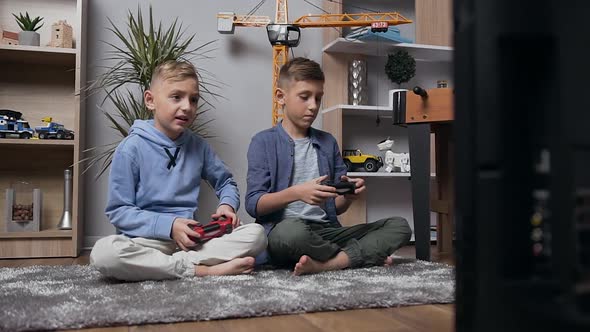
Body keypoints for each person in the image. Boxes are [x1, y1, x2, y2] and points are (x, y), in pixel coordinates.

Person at [91, 60, 266, 281]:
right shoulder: (130, 149)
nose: (187, 107)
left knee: (257, 235)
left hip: (192, 241)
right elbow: (119, 211)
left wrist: (227, 205)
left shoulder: (199, 147)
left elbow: (226, 183)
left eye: (193, 100)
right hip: (146, 242)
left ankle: (167, 267)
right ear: (150, 100)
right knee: (104, 254)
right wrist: (170, 226)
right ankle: (202, 270)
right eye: (176, 97)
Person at [246, 57, 412, 276]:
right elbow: (254, 204)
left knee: (400, 226)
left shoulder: (327, 142)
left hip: (327, 232)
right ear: (281, 97)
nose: (313, 106)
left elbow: (337, 206)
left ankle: (329, 264)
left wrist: (349, 196)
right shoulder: (263, 142)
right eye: (304, 97)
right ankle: (359, 256)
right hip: (285, 231)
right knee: (289, 233)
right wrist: (297, 193)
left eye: (318, 98)